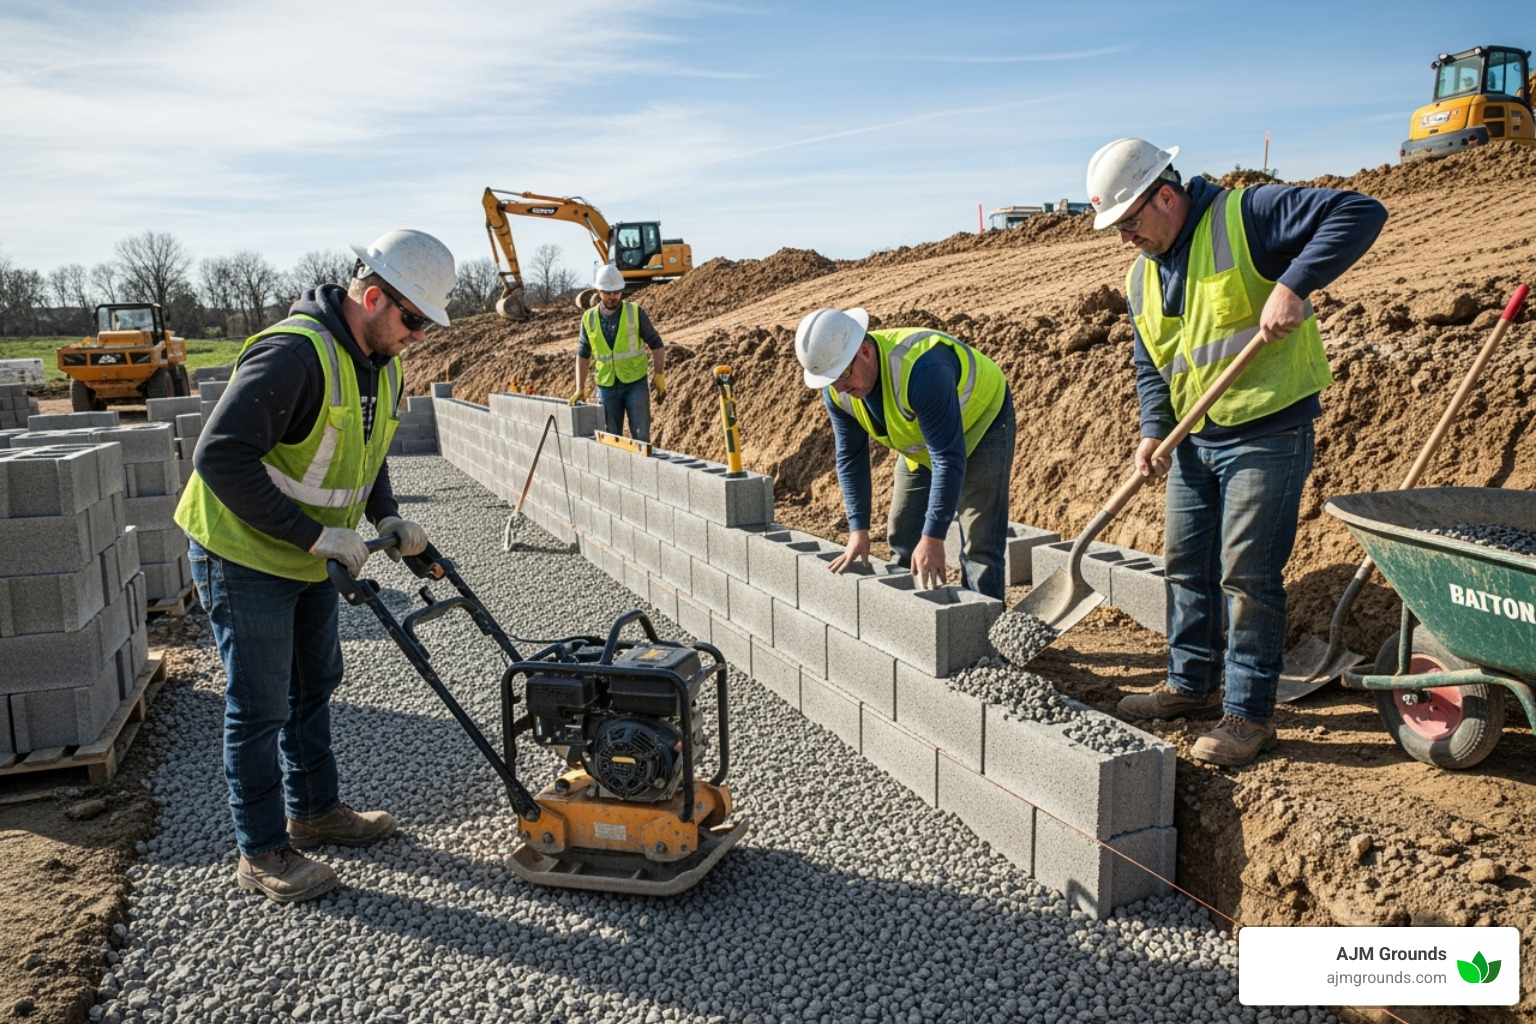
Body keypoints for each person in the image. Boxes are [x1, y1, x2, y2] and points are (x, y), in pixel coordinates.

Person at [175, 229, 456, 902]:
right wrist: (313, 536)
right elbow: (219, 458)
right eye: (412, 318)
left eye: (425, 323)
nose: (417, 335)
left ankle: (316, 812)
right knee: (260, 703)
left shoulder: (381, 363)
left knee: (315, 681)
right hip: (242, 551)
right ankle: (262, 852)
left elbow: (368, 446)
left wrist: (386, 515)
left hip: (304, 553)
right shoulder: (293, 355)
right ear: (370, 297)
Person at [1087, 138, 1386, 766]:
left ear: (1165, 196)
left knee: (1246, 575)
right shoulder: (1140, 275)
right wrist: (1152, 430)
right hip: (1193, 438)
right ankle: (1189, 685)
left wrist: (1295, 284)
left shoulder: (1246, 216)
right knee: (1184, 564)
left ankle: (1248, 715)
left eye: (1130, 221)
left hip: (1266, 431)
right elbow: (1152, 362)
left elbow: (1360, 211)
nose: (1124, 238)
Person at [794, 307, 1015, 599]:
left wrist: (934, 536)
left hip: (982, 423)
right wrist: (858, 530)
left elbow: (948, 457)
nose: (841, 388)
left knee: (979, 547)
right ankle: (914, 618)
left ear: (865, 351)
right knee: (903, 533)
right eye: (831, 380)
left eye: (843, 374)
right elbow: (850, 457)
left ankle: (983, 634)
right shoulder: (839, 390)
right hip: (925, 444)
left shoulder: (922, 369)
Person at [570, 264, 666, 443]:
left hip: (635, 383)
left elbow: (656, 343)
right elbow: (583, 354)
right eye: (607, 292)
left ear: (621, 290)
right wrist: (580, 388)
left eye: (616, 292)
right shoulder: (589, 318)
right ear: (599, 291)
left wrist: (659, 374)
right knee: (611, 438)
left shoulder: (635, 312)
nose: (612, 297)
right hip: (607, 385)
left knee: (641, 436)